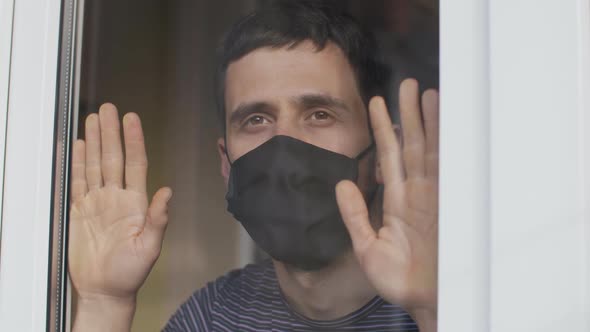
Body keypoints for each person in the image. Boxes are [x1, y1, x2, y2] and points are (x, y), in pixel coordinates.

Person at [69, 2, 439, 331]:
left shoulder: (441, 302)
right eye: (256, 120)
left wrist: (433, 311)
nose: (284, 146)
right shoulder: (211, 318)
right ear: (226, 163)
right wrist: (104, 305)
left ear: (383, 154)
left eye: (320, 114)